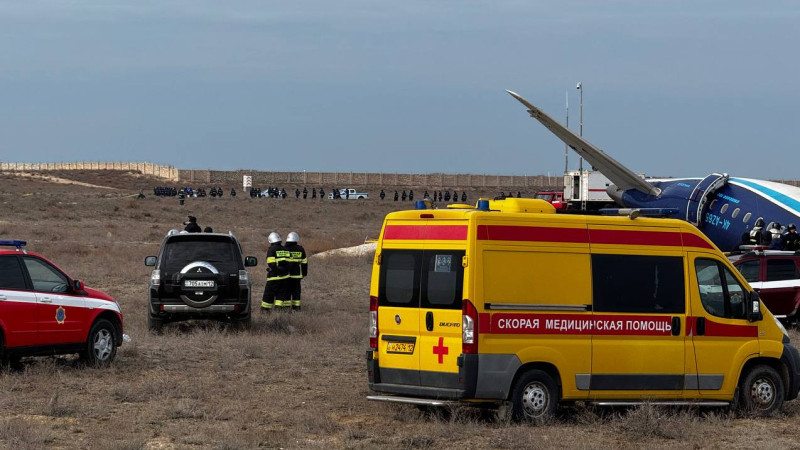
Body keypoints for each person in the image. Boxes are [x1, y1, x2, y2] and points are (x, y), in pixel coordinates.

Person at [262, 232, 290, 312]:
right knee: (281, 294)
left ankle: (265, 311)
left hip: (274, 277)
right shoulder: (285, 249)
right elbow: (289, 263)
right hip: (285, 277)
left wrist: (277, 271)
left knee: (268, 295)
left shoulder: (272, 249)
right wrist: (283, 271)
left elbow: (271, 263)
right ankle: (279, 310)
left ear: (270, 240)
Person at [284, 231, 308, 311]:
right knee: (296, 292)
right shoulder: (300, 249)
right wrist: (304, 273)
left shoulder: (284, 249)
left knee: (286, 291)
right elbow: (304, 263)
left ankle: (286, 308)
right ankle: (296, 308)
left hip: (286, 275)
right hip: (297, 276)